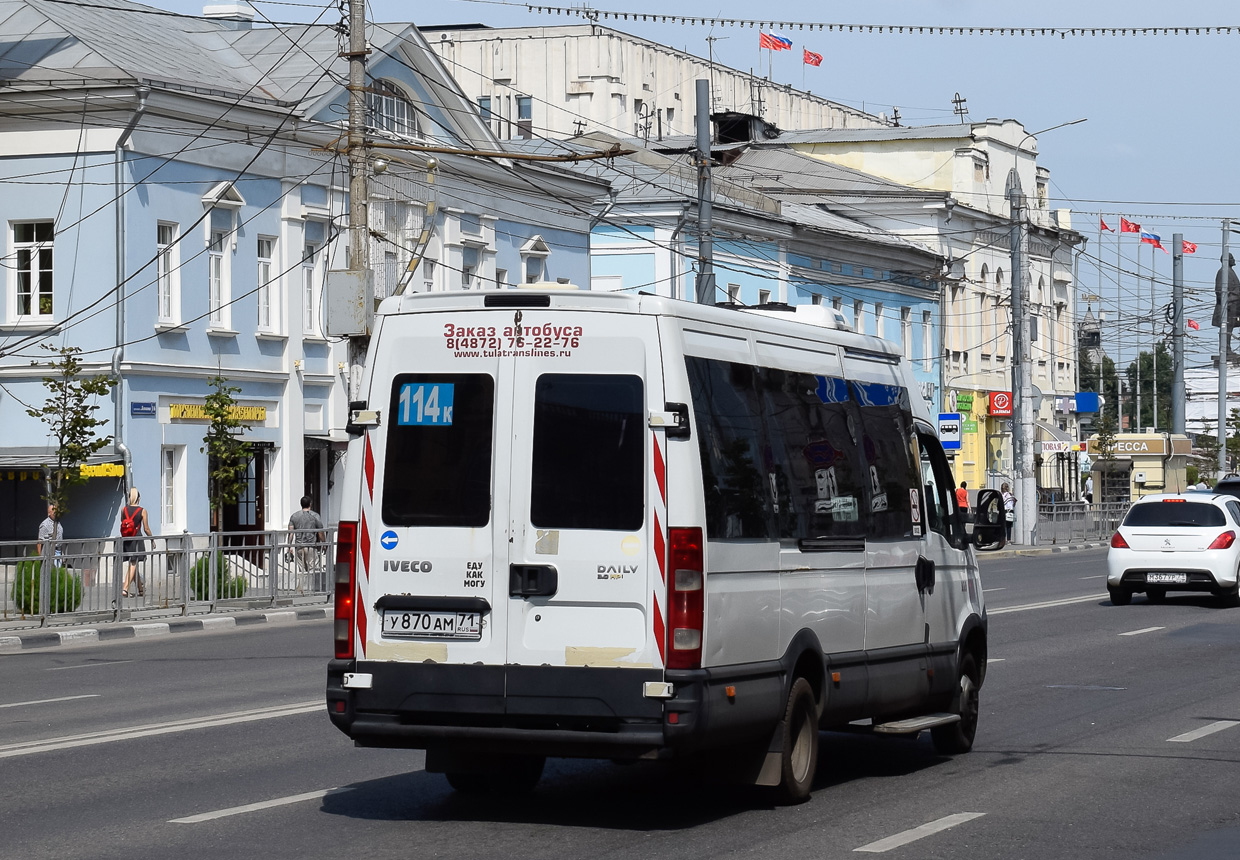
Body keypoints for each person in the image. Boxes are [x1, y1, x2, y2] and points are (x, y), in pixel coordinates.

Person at [288, 495, 326, 593]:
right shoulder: (315, 516)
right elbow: (320, 532)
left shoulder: (294, 516)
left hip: (299, 546)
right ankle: (313, 589)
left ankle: (303, 589)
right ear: (310, 504)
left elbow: (291, 533)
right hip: (311, 546)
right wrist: (324, 543)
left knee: (302, 570)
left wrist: (289, 546)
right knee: (313, 568)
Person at [120, 487, 152, 598]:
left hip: (127, 539)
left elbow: (122, 522)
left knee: (134, 563)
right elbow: (146, 528)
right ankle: (125, 588)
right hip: (137, 539)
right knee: (133, 563)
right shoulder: (142, 511)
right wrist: (152, 539)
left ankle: (140, 589)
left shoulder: (124, 510)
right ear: (139, 498)